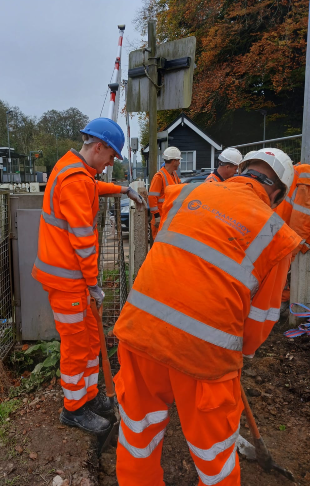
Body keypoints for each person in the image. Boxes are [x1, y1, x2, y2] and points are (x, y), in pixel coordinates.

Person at [113, 148, 301, 486]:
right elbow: (260, 321)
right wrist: (239, 357)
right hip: (204, 357)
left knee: (138, 435)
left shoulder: (186, 192)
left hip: (139, 330)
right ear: (278, 193)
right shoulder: (276, 233)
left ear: (241, 170)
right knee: (214, 454)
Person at [32, 117, 145, 435]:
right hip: (67, 279)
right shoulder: (75, 181)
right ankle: (73, 408)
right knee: (75, 344)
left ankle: (91, 395)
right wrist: (93, 283)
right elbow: (83, 240)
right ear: (99, 147)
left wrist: (123, 190)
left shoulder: (72, 168)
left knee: (91, 338)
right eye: (111, 158)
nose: (110, 164)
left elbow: (93, 186)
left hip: (70, 278)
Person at [274, 161, 310, 309]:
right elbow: (302, 216)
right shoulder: (306, 177)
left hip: (279, 229)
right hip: (288, 234)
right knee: (284, 272)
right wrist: (300, 245)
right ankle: (282, 305)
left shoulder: (296, 170)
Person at [148, 147, 181, 240]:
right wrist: (156, 216)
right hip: (161, 219)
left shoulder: (174, 175)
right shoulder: (159, 176)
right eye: (178, 160)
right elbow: (151, 197)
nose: (179, 163)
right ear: (173, 161)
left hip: (169, 218)